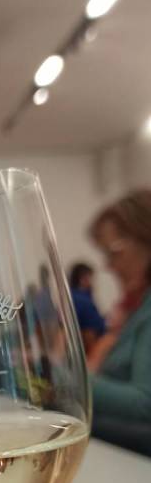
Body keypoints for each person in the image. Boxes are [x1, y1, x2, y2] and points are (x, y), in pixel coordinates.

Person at [88, 190, 151, 456]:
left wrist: (69, 381)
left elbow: (146, 403)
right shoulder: (136, 307)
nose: (108, 266)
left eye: (113, 252)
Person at [68, 261, 105, 353]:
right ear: (83, 278)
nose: (92, 282)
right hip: (92, 352)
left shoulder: (71, 297)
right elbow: (89, 334)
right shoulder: (83, 301)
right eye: (90, 278)